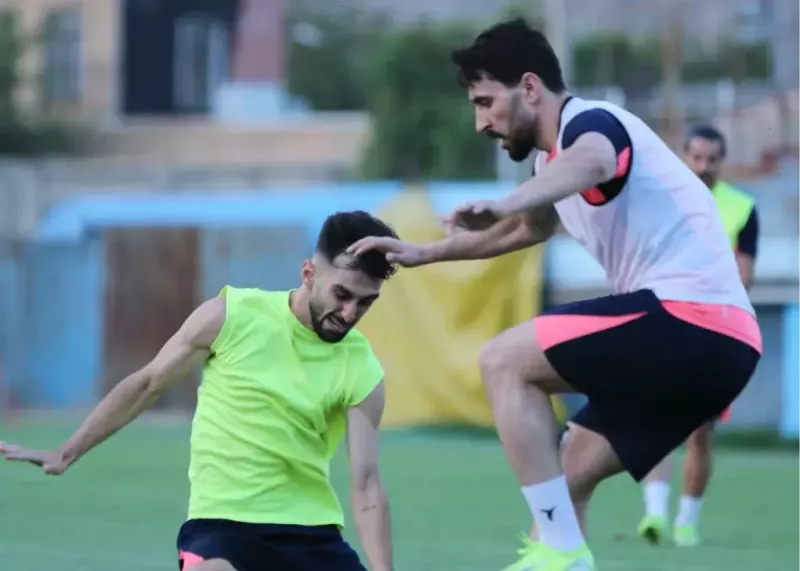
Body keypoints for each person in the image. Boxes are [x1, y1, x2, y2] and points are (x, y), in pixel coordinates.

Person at [348, 19, 761, 571]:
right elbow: (525, 229)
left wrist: (509, 200)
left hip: (692, 321)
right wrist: (423, 252)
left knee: (502, 360)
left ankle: (564, 549)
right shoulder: (550, 165)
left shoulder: (592, 124)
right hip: (722, 349)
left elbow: (594, 161)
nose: (480, 123)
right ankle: (564, 550)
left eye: (485, 102)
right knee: (561, 485)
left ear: (529, 87)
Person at [1, 211, 398, 571]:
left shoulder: (360, 366)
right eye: (342, 295)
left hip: (311, 536)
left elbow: (366, 483)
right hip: (222, 528)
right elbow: (148, 383)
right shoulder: (232, 317)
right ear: (309, 274)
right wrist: (66, 451)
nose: (350, 314)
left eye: (365, 303)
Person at [638, 125, 759, 547]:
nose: (703, 166)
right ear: (684, 156)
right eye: (696, 157)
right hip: (665, 324)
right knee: (656, 419)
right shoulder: (663, 201)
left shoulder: (741, 208)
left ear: (722, 161)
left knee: (700, 431)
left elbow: (744, 276)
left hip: (715, 331)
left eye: (711, 159)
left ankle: (686, 522)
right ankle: (655, 514)